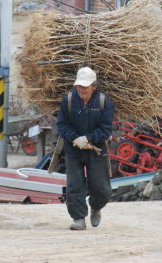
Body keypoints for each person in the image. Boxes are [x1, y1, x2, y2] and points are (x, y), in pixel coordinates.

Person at [57, 67, 114, 230]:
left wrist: (88, 138)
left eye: (85, 86)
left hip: (96, 148)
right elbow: (62, 124)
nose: (82, 89)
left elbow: (106, 129)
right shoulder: (68, 100)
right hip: (73, 148)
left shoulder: (104, 102)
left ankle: (96, 207)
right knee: (75, 184)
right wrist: (75, 138)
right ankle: (79, 219)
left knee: (101, 188)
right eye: (79, 86)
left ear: (94, 86)